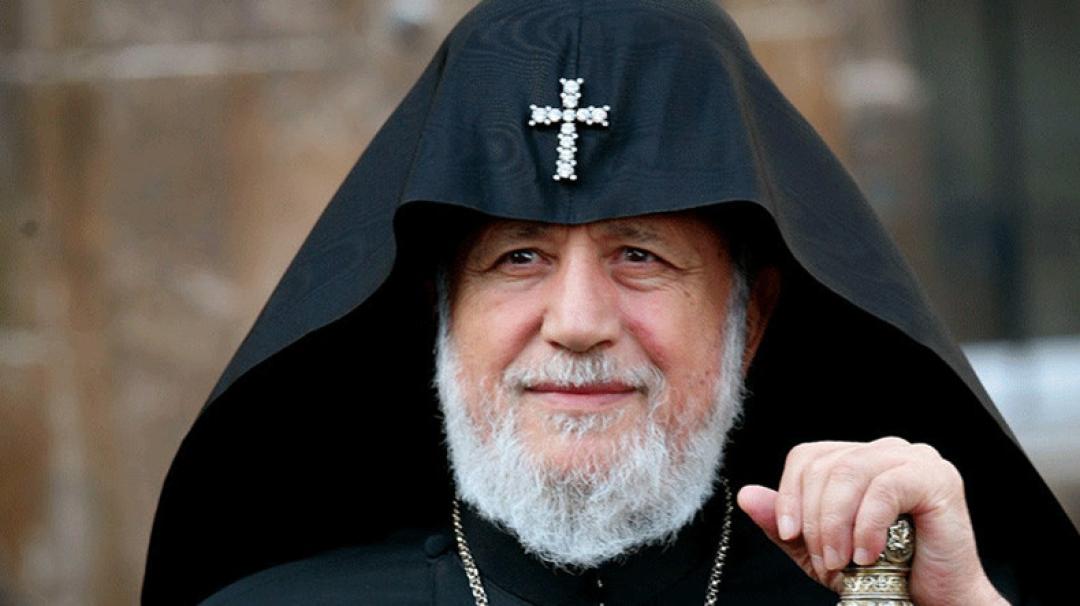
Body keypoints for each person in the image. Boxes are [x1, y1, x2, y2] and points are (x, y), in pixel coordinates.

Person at [142, 1, 1079, 604]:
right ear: (440, 316)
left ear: (748, 320)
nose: (579, 323)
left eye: (640, 256)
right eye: (519, 257)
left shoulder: (898, 600)